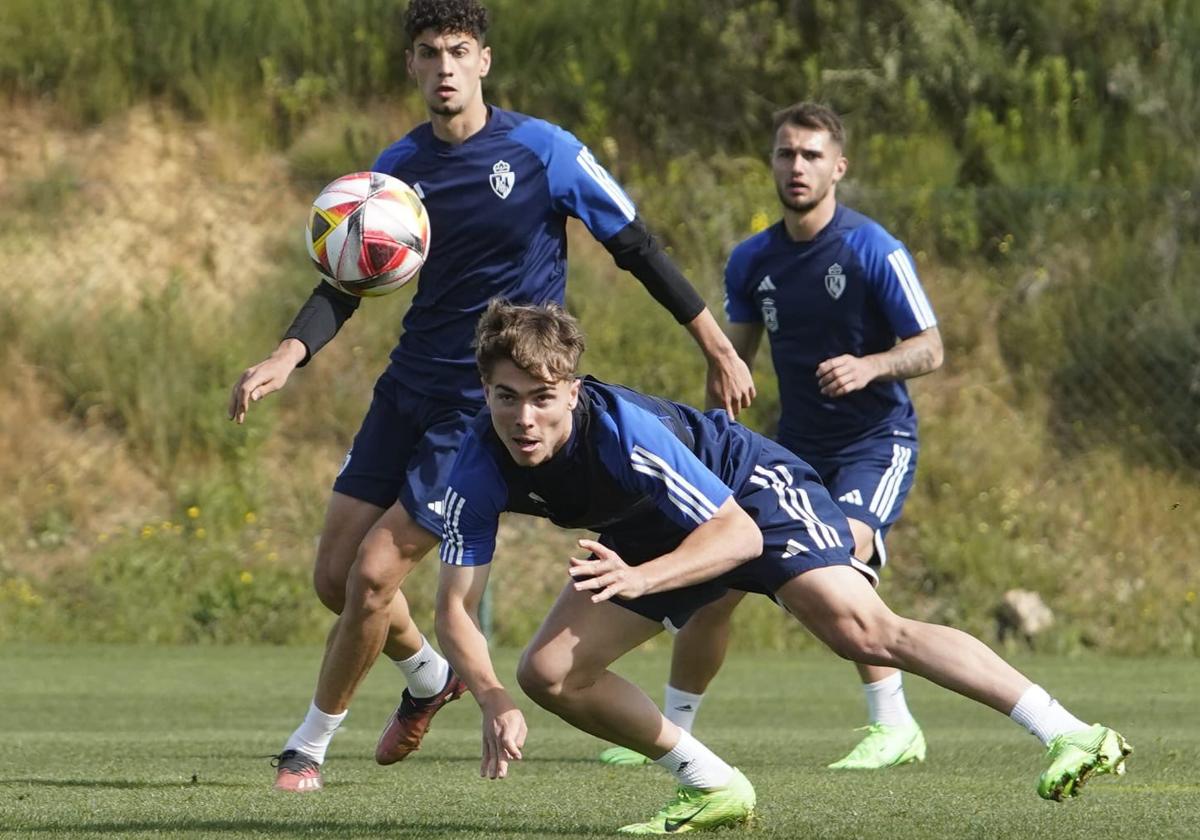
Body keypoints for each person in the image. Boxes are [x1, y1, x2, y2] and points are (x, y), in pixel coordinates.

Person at [228, 0, 754, 793]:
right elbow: (344, 281)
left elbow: (636, 247)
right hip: (406, 388)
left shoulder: (546, 151)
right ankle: (431, 678)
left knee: (375, 576)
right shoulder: (396, 167)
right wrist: (285, 354)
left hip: (481, 408)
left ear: (484, 61)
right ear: (411, 64)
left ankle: (308, 745)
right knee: (335, 579)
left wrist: (714, 342)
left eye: (459, 50)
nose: (444, 66)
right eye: (430, 52)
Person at [436, 299, 1130, 834]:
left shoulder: (623, 435)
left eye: (542, 397)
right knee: (548, 675)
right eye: (506, 396)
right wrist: (495, 697)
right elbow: (455, 611)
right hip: (651, 530)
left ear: (573, 391)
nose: (524, 418)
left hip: (749, 496)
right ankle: (711, 784)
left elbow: (735, 536)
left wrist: (644, 578)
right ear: (485, 392)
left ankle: (1070, 732)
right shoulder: (474, 464)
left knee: (862, 631)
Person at [599, 101, 944, 772]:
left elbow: (930, 348)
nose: (797, 167)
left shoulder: (874, 250)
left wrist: (871, 365)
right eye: (786, 153)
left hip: (876, 443)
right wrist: (711, 444)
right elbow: (733, 362)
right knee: (716, 578)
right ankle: (673, 732)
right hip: (793, 449)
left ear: (838, 167)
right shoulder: (752, 260)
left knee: (841, 552)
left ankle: (894, 723)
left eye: (812, 155)